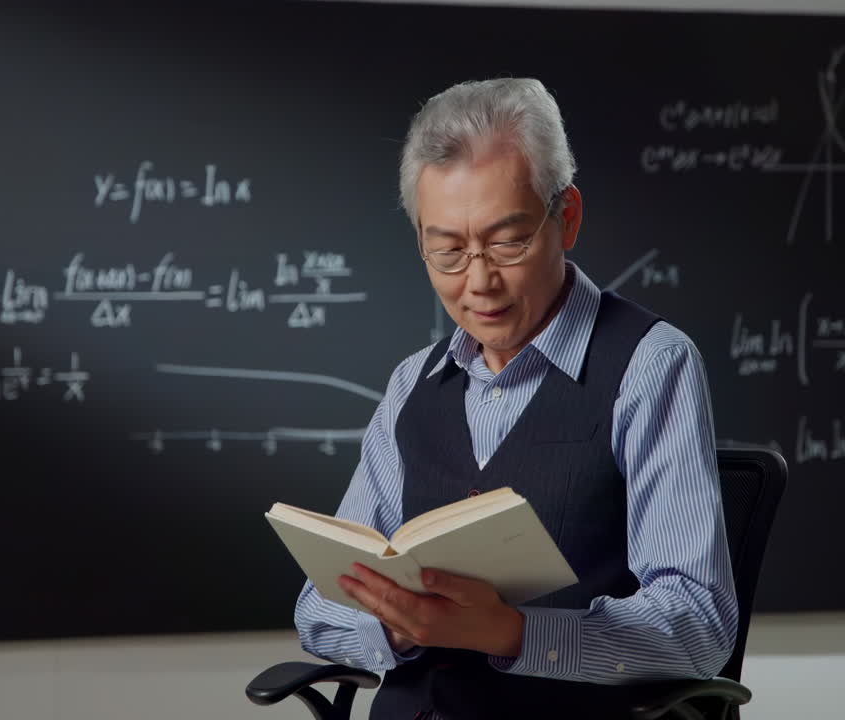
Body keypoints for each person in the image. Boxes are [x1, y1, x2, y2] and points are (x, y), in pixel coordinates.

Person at [293, 78, 736, 719]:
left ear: (568, 217)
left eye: (508, 242)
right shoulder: (411, 386)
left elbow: (700, 626)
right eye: (446, 250)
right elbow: (318, 607)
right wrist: (399, 625)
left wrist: (512, 634)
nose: (479, 282)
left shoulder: (651, 365)